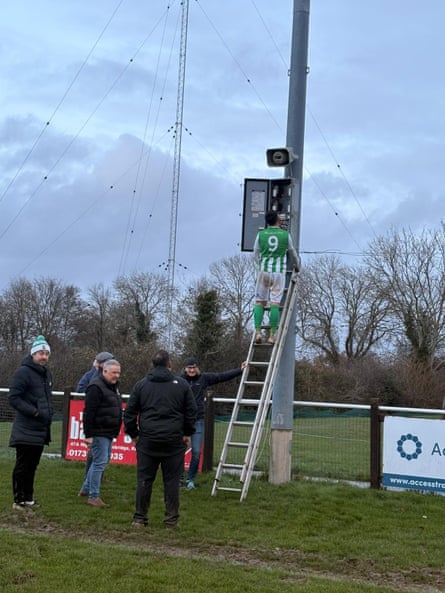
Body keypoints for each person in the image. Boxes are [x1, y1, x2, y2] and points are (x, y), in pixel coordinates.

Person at [124, 349, 197, 528]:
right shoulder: (181, 385)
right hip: (174, 440)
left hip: (147, 440)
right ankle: (171, 520)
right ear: (169, 365)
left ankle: (139, 518)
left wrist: (134, 434)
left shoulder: (141, 385)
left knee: (144, 479)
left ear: (153, 365)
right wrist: (187, 433)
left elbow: (129, 413)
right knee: (171, 481)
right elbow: (191, 412)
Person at [180, 356, 246, 490]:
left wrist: (240, 370)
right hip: (182, 421)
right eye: (189, 368)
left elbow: (221, 376)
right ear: (185, 369)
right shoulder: (180, 381)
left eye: (193, 367)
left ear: (197, 368)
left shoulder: (203, 378)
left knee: (197, 452)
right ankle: (179, 479)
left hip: (197, 420)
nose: (191, 370)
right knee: (179, 451)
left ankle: (191, 480)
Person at [8, 335, 53, 510]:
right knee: (23, 465)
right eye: (41, 353)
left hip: (40, 429)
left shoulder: (46, 374)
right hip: (26, 428)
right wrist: (34, 412)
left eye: (46, 353)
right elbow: (14, 397)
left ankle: (28, 498)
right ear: (33, 354)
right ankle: (18, 499)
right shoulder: (23, 372)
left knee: (33, 465)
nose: (44, 357)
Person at [78, 358, 122, 508]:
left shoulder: (112, 386)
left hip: (108, 431)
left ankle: (85, 488)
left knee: (102, 460)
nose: (116, 376)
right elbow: (88, 413)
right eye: (113, 373)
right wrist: (88, 435)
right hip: (99, 431)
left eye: (118, 373)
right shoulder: (95, 387)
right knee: (100, 462)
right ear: (104, 371)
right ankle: (93, 496)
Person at [253, 210, 300, 344]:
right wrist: (297, 265)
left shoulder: (260, 234)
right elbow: (292, 253)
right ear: (278, 220)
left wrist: (260, 265)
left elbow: (255, 253)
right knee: (275, 303)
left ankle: (257, 332)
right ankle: (272, 335)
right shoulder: (285, 235)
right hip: (279, 272)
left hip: (264, 271)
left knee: (259, 302)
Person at [76, 351, 114, 480]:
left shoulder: (104, 376)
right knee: (96, 450)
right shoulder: (93, 376)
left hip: (102, 417)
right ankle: (91, 478)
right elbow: (80, 389)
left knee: (99, 451)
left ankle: (96, 476)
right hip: (97, 418)